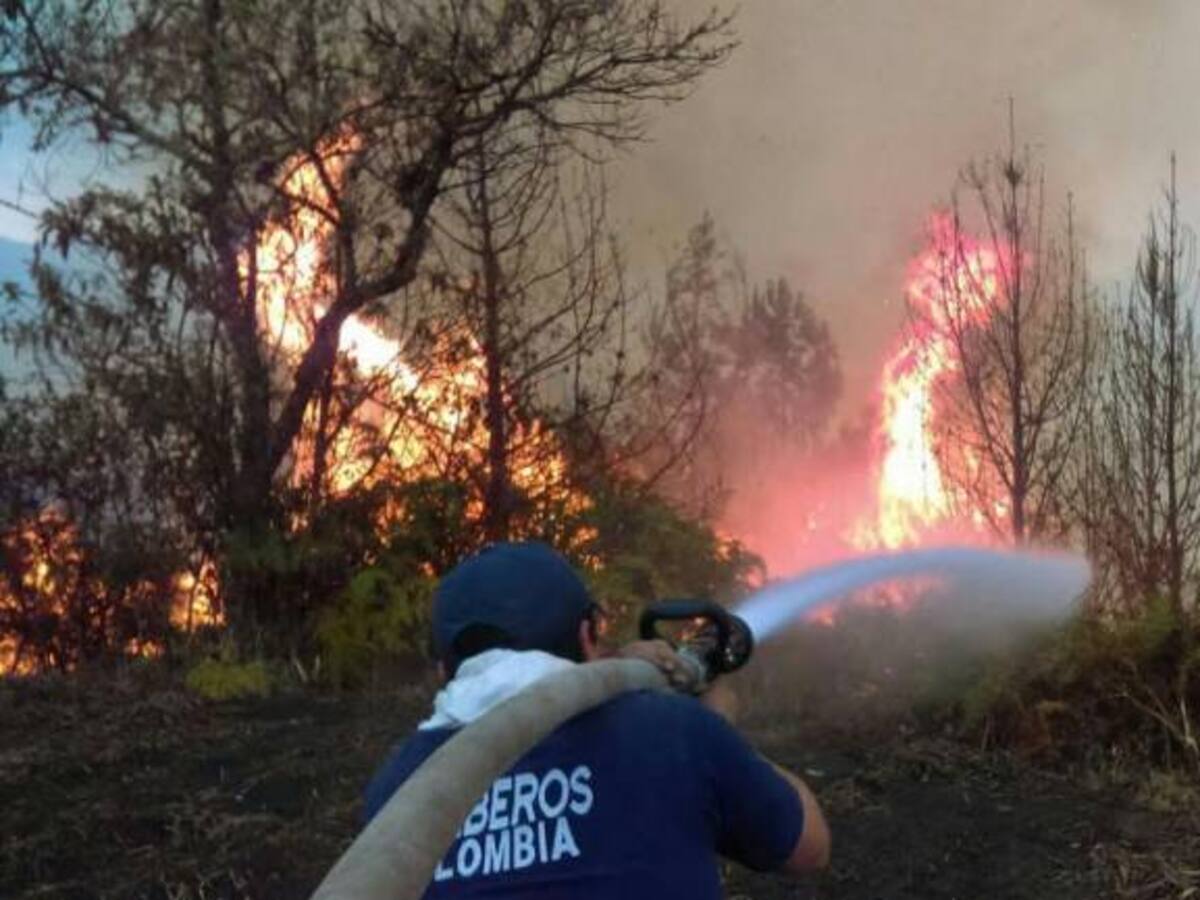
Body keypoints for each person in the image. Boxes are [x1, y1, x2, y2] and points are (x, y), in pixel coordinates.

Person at [363, 541, 831, 897]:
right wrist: (716, 730)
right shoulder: (675, 734)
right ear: (588, 634)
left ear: (445, 668)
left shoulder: (394, 792)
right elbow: (809, 846)